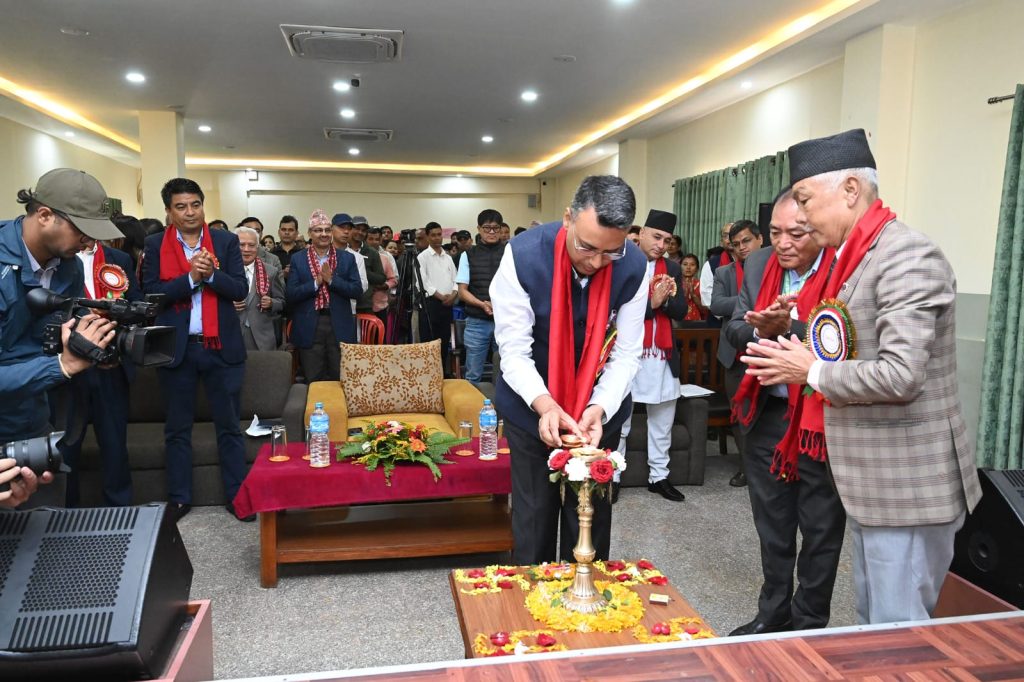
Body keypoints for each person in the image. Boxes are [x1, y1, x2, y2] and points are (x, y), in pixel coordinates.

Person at [741, 129, 982, 624]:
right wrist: (794, 336)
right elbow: (854, 344)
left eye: (805, 200)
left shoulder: (906, 256)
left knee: (898, 629)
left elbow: (901, 374)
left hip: (906, 485)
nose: (802, 215)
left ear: (850, 190)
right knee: (877, 621)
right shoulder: (858, 257)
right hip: (875, 484)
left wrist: (810, 370)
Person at [492, 175, 648, 564]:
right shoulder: (522, 255)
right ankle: (531, 595)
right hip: (531, 407)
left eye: (610, 252)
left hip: (598, 412)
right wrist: (545, 405)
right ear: (568, 218)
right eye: (587, 247)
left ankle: (584, 597)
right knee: (534, 519)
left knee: (589, 520)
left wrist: (599, 408)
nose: (596, 262)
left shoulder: (634, 265)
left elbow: (627, 353)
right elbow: (514, 350)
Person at [725, 189, 845, 635]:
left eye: (796, 233)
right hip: (768, 414)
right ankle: (772, 612)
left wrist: (787, 327)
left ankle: (809, 623)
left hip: (819, 421)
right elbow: (734, 327)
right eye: (775, 232)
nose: (783, 243)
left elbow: (844, 341)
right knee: (772, 523)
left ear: (819, 229)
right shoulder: (759, 265)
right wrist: (760, 329)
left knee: (820, 528)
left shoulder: (843, 267)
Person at [0, 168, 121, 508]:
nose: (89, 242)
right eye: (82, 230)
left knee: (46, 526)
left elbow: (63, 326)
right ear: (44, 216)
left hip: (34, 421)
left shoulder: (69, 267)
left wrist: (94, 345)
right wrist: (62, 366)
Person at [142, 177, 251, 522]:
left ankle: (237, 496)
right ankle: (179, 498)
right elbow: (151, 296)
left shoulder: (224, 241)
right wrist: (191, 279)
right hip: (178, 349)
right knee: (177, 429)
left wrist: (211, 275)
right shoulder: (155, 244)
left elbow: (240, 289)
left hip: (221, 349)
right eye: (181, 206)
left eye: (195, 204)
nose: (190, 212)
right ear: (169, 211)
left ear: (203, 205)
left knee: (229, 427)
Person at [61, 235, 141, 507]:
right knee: (66, 447)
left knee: (114, 445)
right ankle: (65, 513)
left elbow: (136, 302)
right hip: (69, 367)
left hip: (111, 365)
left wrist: (117, 314)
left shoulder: (119, 259)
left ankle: (120, 511)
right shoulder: (58, 258)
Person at [617, 209, 688, 503]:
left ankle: (659, 477)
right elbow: (616, 311)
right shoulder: (620, 262)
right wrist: (652, 303)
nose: (661, 245)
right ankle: (613, 476)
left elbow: (681, 310)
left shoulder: (671, 268)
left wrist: (667, 301)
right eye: (656, 237)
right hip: (628, 352)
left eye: (667, 240)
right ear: (642, 233)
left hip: (662, 353)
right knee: (620, 420)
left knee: (662, 419)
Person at [711, 219, 760, 488]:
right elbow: (717, 305)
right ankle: (746, 467)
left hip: (765, 352)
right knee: (739, 414)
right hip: (733, 355)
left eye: (746, 241)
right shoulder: (724, 273)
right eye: (736, 244)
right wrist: (750, 299)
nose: (742, 247)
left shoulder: (773, 269)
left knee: (766, 414)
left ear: (760, 240)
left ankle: (767, 466)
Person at [287, 209, 363, 382]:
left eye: (327, 230)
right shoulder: (298, 259)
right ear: (309, 233)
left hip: (339, 323)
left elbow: (357, 290)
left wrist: (332, 281)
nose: (323, 234)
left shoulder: (346, 258)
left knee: (340, 377)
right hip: (309, 324)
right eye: (318, 230)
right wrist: (316, 283)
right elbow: (291, 294)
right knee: (313, 377)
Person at [455, 209, 504, 385]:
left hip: (505, 321)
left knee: (506, 374)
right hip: (477, 321)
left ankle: (501, 403)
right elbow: (462, 291)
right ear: (479, 229)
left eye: (496, 228)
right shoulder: (468, 255)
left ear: (501, 229)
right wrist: (482, 304)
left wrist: (499, 304)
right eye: (487, 228)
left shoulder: (510, 252)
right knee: (473, 375)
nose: (491, 232)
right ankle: (473, 402)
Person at [234, 226, 284, 351]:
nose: (246, 249)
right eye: (241, 245)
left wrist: (272, 303)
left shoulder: (271, 271)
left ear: (258, 247)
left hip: (262, 338)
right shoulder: (224, 271)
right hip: (231, 334)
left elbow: (281, 302)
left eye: (251, 245)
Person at [417, 222, 458, 368]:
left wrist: (453, 295)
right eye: (433, 235)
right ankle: (428, 373)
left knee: (444, 341)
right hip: (431, 305)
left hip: (447, 305)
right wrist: (441, 297)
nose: (437, 238)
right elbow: (423, 282)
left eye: (439, 235)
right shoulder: (422, 257)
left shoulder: (448, 258)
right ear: (428, 237)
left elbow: (456, 279)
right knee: (429, 343)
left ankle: (442, 373)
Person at [350, 216, 388, 322]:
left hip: (365, 305)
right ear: (350, 229)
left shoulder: (372, 252)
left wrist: (363, 271)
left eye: (363, 230)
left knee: (367, 333)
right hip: (345, 304)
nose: (360, 232)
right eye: (357, 228)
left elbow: (381, 278)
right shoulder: (343, 250)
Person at [331, 213, 368, 316]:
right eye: (342, 227)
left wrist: (334, 281)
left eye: (349, 228)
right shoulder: (322, 253)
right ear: (331, 229)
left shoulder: (357, 257)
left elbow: (362, 286)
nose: (346, 231)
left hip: (347, 310)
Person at [699, 221, 734, 328]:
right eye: (726, 235)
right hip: (718, 322)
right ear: (721, 241)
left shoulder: (750, 262)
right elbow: (707, 296)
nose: (730, 238)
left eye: (734, 234)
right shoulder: (711, 264)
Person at [681, 253, 707, 322]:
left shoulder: (702, 285)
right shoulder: (674, 284)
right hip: (677, 323)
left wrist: (693, 295)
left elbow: (705, 311)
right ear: (680, 266)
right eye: (685, 264)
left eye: (692, 265)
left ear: (697, 269)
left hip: (698, 324)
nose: (688, 267)